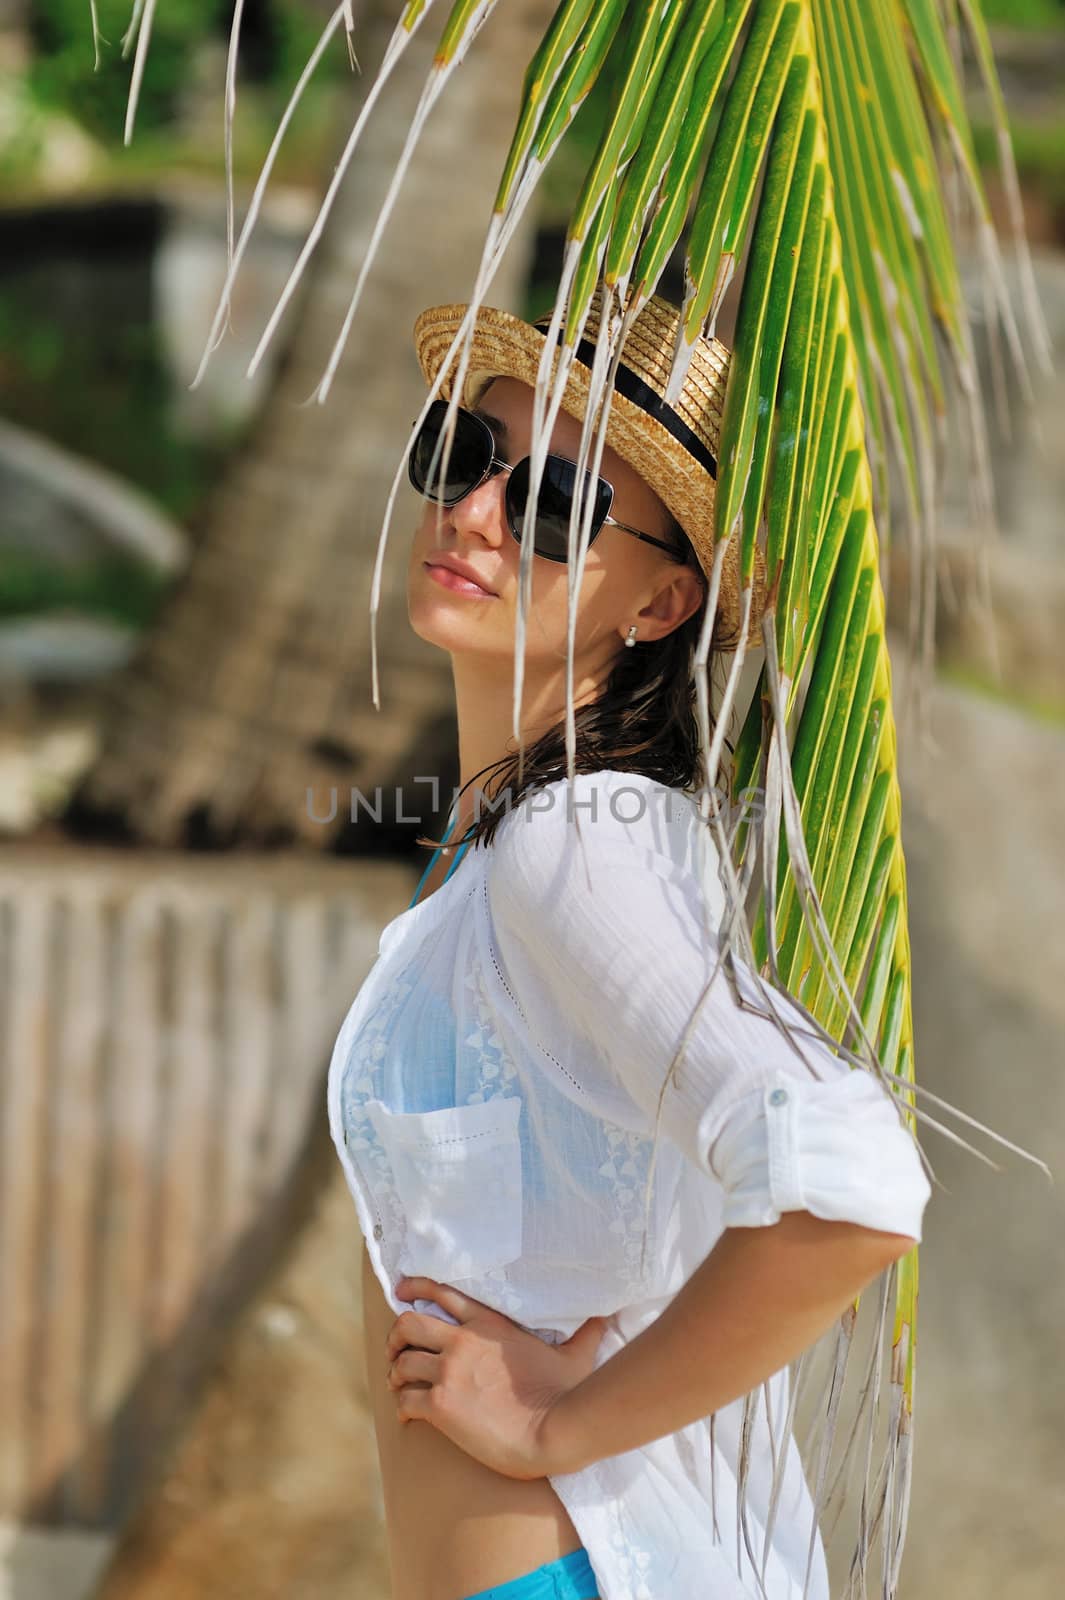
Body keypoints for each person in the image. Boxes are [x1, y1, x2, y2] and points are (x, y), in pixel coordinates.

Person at [326, 290, 932, 1600]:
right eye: (465, 456)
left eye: (554, 507)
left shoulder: (577, 844)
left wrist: (556, 1428)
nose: (474, 514)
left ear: (661, 603)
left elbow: (848, 1177)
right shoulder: (510, 841)